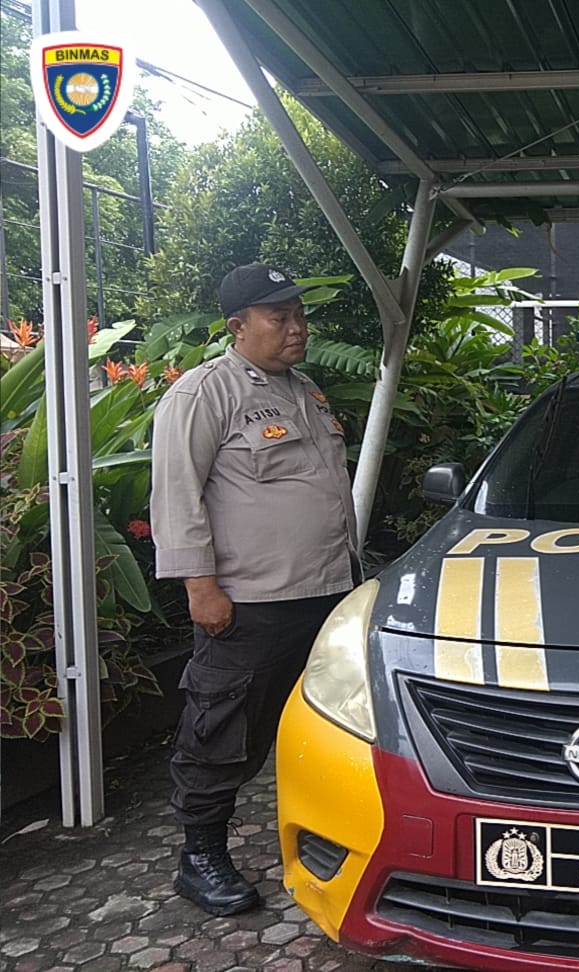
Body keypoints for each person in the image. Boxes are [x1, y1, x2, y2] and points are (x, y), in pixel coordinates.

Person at [151, 264, 360, 916]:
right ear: (238, 326)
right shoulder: (203, 393)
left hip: (326, 593)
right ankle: (200, 857)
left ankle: (330, 835)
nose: (297, 327)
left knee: (327, 725)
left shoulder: (305, 390)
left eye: (300, 314)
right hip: (250, 602)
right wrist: (201, 588)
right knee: (221, 729)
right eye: (279, 316)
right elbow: (177, 496)